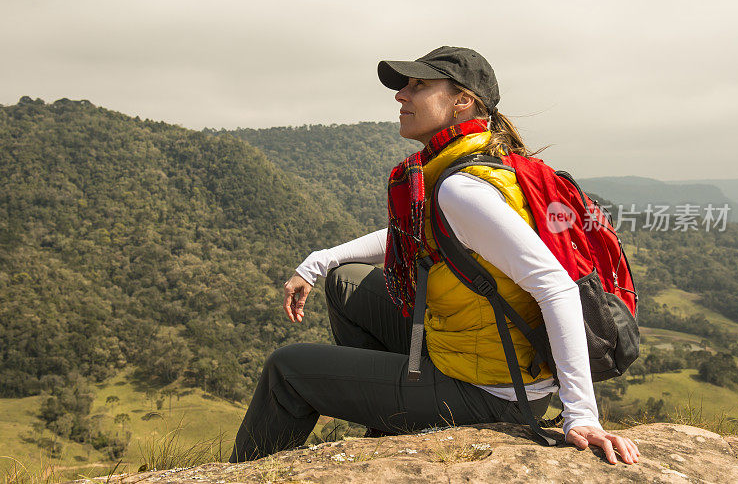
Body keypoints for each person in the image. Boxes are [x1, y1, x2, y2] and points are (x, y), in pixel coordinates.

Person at [229, 46, 640, 466]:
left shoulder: (461, 187)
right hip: (479, 357)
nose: (401, 96)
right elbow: (422, 235)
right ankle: (392, 415)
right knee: (344, 281)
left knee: (286, 371)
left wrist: (582, 414)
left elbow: (555, 286)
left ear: (463, 101)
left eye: (418, 86)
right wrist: (318, 262)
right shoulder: (482, 163)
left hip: (491, 394)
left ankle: (248, 473)